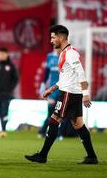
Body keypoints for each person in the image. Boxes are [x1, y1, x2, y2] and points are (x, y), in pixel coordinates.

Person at [25, 25, 98, 164]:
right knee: (78, 124)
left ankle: (42, 155)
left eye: (53, 37)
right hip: (70, 92)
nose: (51, 41)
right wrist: (51, 89)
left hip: (69, 94)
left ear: (61, 37)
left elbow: (81, 72)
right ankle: (92, 157)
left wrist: (86, 94)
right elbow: (65, 78)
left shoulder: (70, 53)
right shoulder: (64, 53)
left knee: (53, 120)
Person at [38, 49, 76, 140]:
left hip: (63, 89)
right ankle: (43, 132)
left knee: (62, 113)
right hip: (52, 89)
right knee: (51, 113)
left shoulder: (66, 57)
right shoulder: (50, 56)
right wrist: (43, 86)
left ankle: (59, 134)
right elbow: (46, 73)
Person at [0, 47, 19, 138]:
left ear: (7, 55)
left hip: (7, 94)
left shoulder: (11, 66)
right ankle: (3, 128)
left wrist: (10, 89)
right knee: (0, 112)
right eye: (0, 54)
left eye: (3, 54)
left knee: (5, 111)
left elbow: (15, 79)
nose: (1, 56)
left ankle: (3, 130)